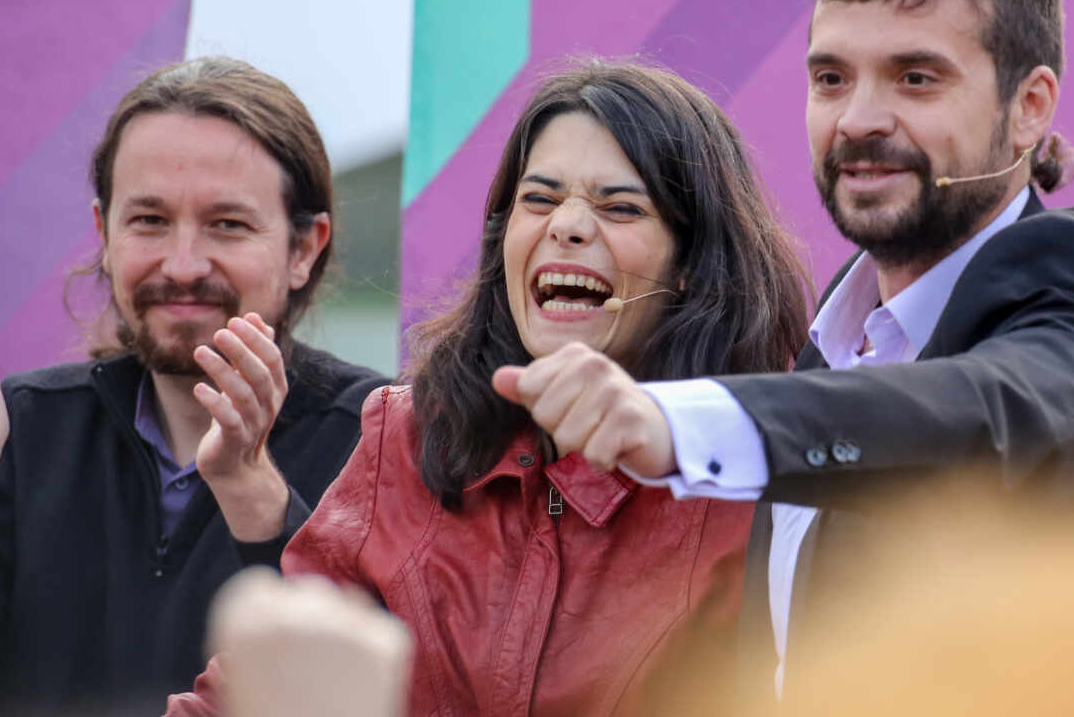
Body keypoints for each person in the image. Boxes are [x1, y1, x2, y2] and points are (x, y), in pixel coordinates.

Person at [493, 0, 1074, 699]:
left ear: (1030, 108)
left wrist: (680, 420)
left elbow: (988, 411)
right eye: (831, 79)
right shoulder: (834, 338)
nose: (859, 120)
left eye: (916, 78)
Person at [165, 60, 814, 716]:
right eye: (539, 199)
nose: (568, 225)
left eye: (620, 207)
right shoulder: (409, 436)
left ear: (690, 266)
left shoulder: (765, 474)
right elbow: (258, 697)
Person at [0, 57, 389, 717]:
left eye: (228, 224)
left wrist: (249, 486)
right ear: (103, 232)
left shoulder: (382, 439)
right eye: (149, 220)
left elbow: (385, 687)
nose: (182, 265)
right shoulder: (26, 427)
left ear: (304, 250)